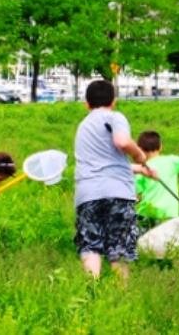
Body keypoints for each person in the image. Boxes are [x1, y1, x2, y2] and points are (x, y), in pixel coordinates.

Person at [73, 80, 156, 281]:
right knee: (120, 246)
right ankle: (120, 292)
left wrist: (140, 169)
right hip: (118, 192)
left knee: (90, 244)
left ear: (86, 104)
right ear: (113, 101)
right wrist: (139, 156)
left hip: (88, 193)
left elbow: (102, 164)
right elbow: (122, 141)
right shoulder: (115, 117)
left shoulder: (83, 127)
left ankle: (92, 288)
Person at [133, 131, 179, 230]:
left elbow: (137, 195)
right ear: (160, 147)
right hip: (169, 213)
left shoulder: (141, 170)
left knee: (145, 238)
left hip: (147, 213)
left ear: (140, 149)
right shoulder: (171, 161)